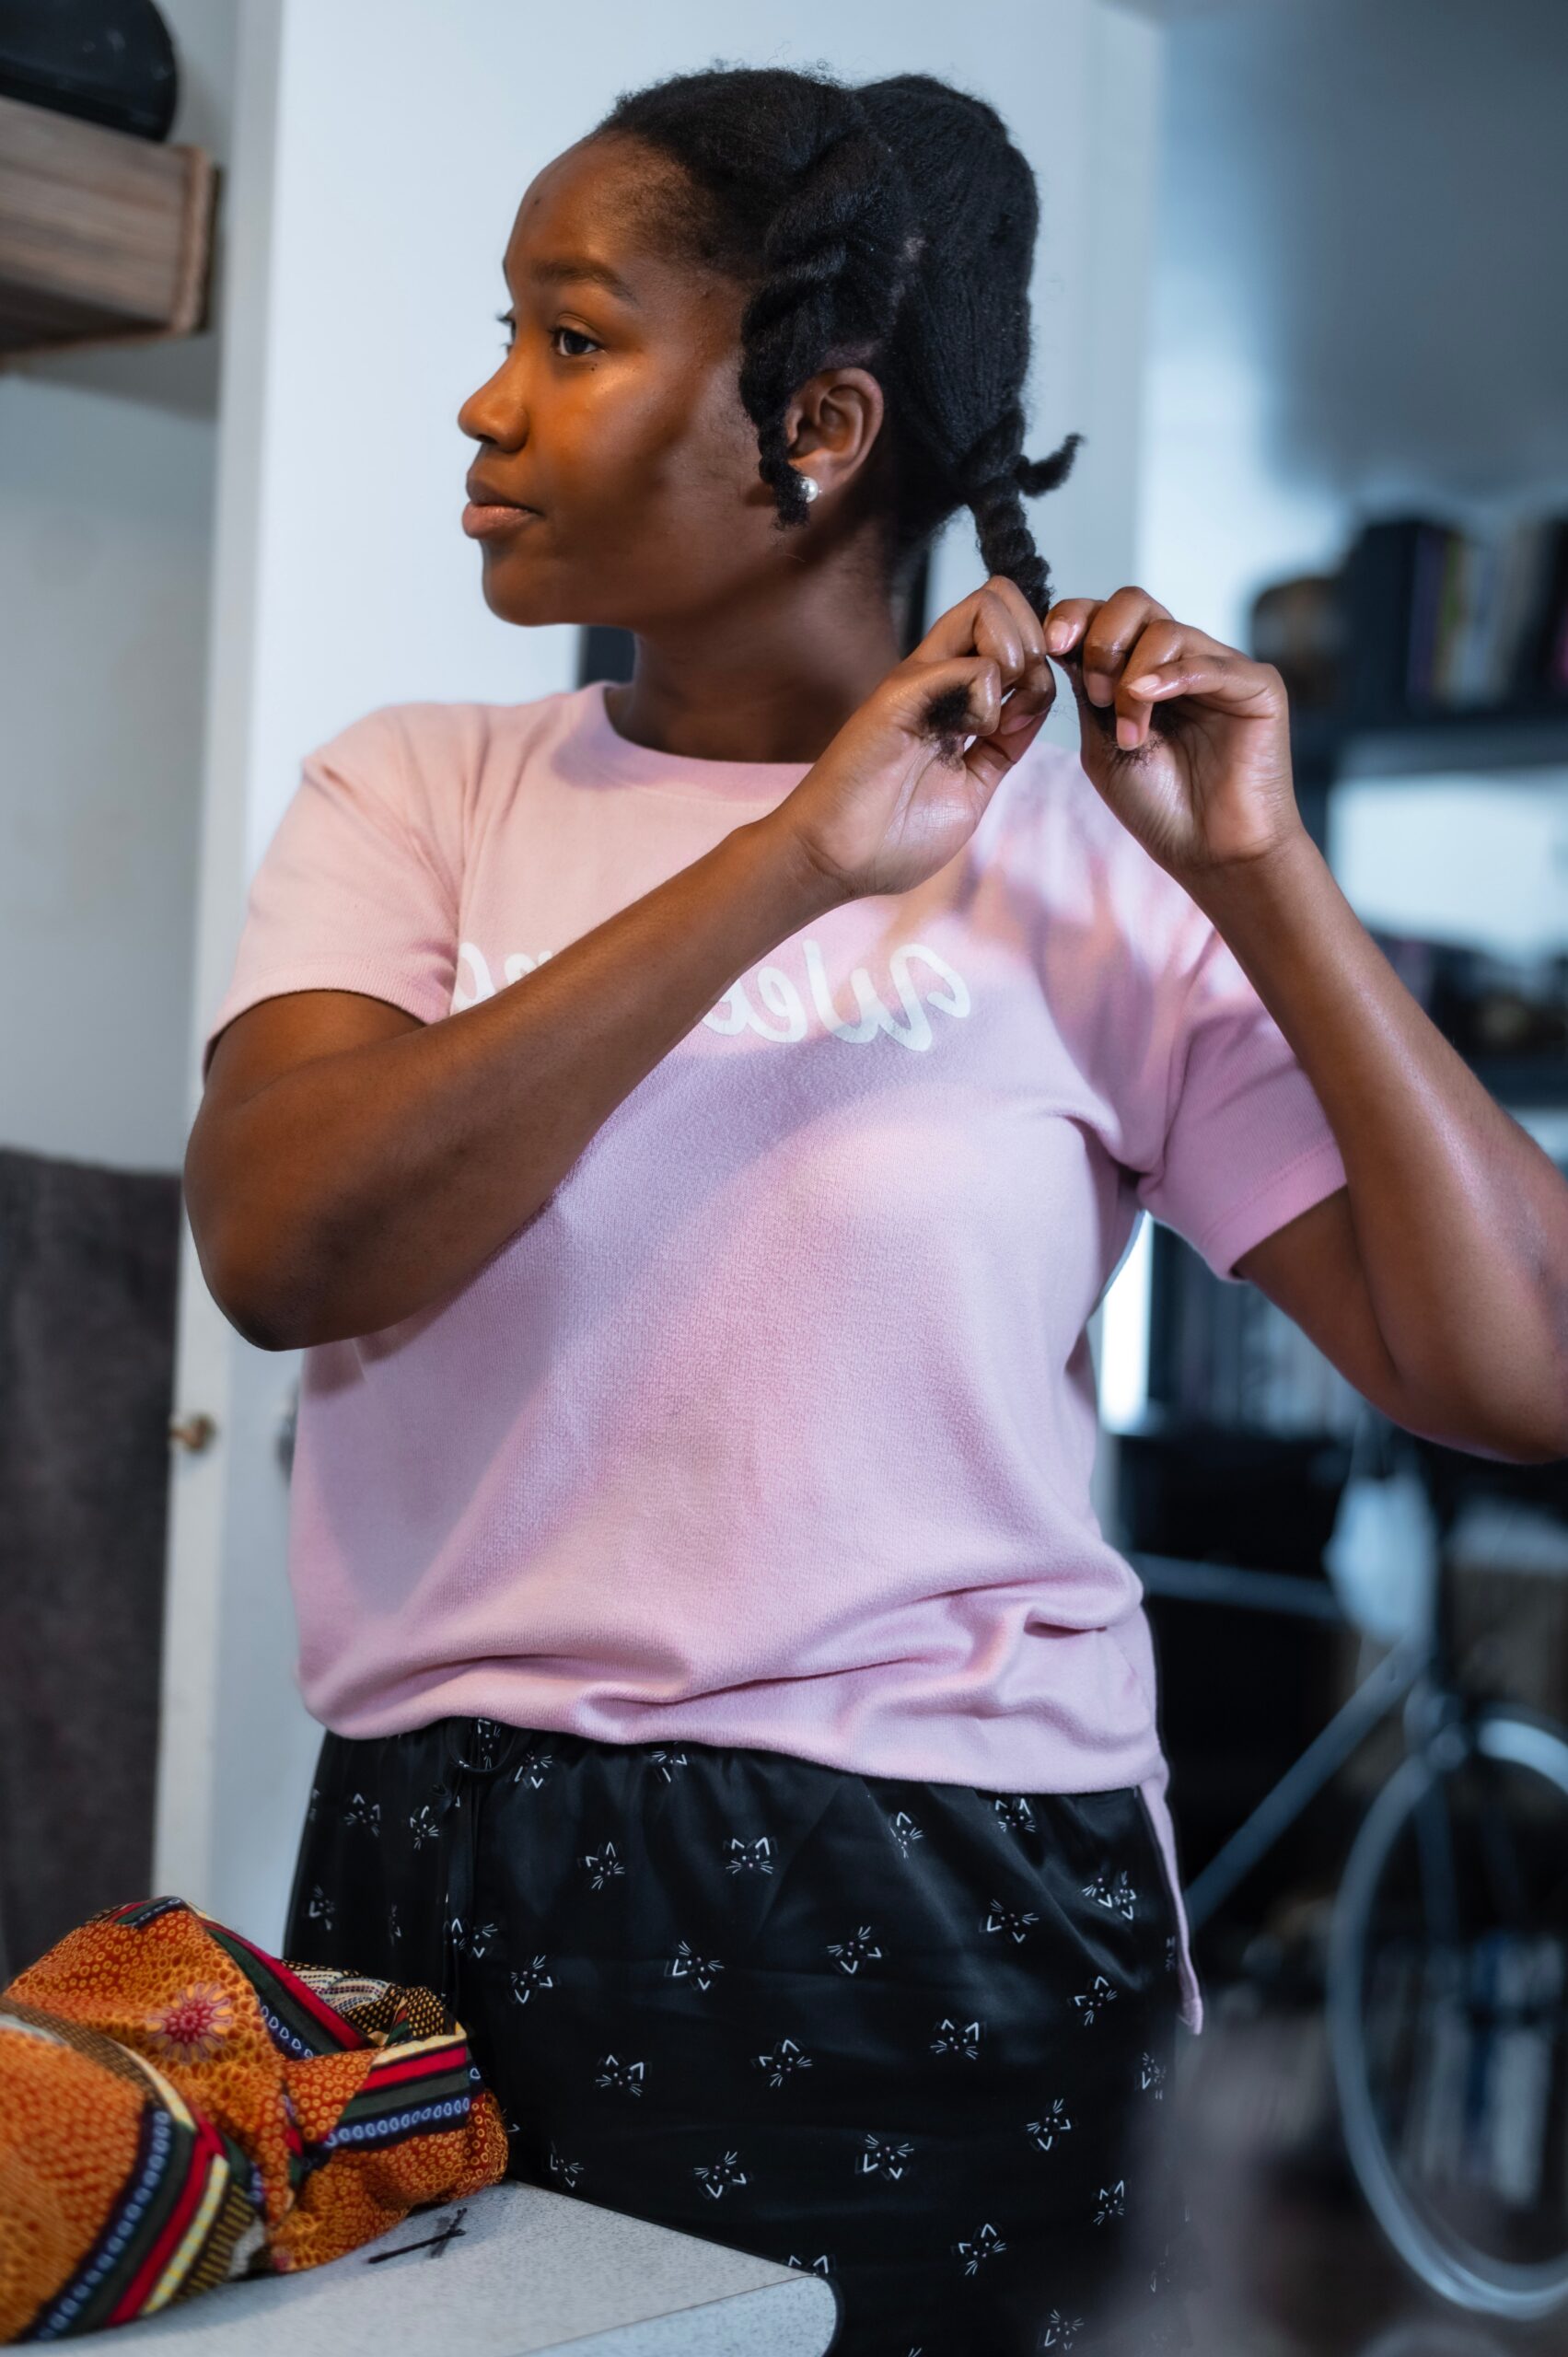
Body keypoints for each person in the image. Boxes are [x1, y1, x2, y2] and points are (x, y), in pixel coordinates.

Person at [183, 63, 1568, 2357]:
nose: (487, 401)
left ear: (815, 429)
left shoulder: (1100, 880)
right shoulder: (416, 791)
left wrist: (1266, 880)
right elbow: (291, 1243)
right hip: (445, 1892)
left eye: (571, 333)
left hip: (950, 1905)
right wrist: (793, 862)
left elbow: (1517, 1367)